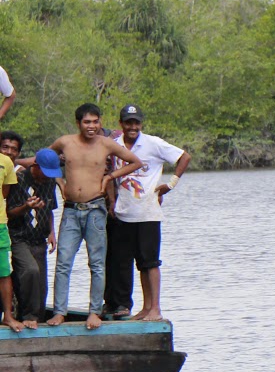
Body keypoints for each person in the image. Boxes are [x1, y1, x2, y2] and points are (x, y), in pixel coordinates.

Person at [42, 103, 143, 329]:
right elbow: (44, 158)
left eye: (95, 122)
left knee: (97, 264)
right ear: (78, 123)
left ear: (100, 123)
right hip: (71, 210)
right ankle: (59, 312)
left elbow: (136, 162)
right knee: (63, 262)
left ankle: (95, 312)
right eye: (87, 122)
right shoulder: (65, 142)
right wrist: (59, 181)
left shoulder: (106, 144)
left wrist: (110, 177)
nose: (91, 126)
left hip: (95, 209)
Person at [104, 104, 190, 321]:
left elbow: (184, 157)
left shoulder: (153, 143)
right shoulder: (114, 145)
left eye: (136, 123)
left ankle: (155, 309)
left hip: (147, 212)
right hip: (123, 212)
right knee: (133, 263)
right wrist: (112, 201)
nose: (132, 127)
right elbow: (110, 174)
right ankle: (145, 307)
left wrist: (170, 184)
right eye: (128, 122)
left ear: (141, 124)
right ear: (121, 124)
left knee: (150, 262)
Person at [1, 133, 56, 327]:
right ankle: (28, 316)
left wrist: (52, 232)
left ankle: (36, 319)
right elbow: (9, 212)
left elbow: (50, 209)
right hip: (19, 236)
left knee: (40, 283)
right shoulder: (18, 179)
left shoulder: (50, 182)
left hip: (39, 237)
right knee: (29, 270)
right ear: (35, 166)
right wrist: (27, 206)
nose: (47, 176)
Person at [0, 135, 21, 332]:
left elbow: (4, 192)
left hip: (0, 225)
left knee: (4, 272)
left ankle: (8, 315)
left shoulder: (5, 162)